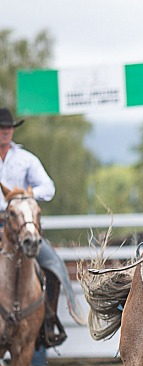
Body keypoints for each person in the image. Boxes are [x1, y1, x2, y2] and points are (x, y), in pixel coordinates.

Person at [0, 107, 81, 353]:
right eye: (1, 128)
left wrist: (25, 195)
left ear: (13, 130)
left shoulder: (25, 159)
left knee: (53, 266)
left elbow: (49, 187)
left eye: (8, 128)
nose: (5, 132)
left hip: (21, 225)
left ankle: (47, 324)